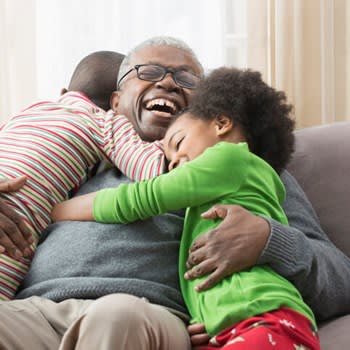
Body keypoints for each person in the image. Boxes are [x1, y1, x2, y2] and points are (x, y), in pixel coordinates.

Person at [0, 36, 348, 349]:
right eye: (148, 71)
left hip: (141, 316)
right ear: (116, 100)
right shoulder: (71, 156)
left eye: (186, 79)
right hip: (35, 311)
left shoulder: (242, 165)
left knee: (117, 316)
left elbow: (340, 279)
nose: (167, 82)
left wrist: (270, 239)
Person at [52, 67, 320, 350]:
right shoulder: (228, 187)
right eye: (170, 161)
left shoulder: (230, 159)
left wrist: (54, 211)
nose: (175, 163)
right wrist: (206, 317)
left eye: (178, 143)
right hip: (231, 327)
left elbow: (139, 199)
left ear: (221, 124)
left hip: (264, 317)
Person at [0, 50, 169, 299]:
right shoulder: (106, 122)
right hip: (14, 232)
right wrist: (175, 139)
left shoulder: (27, 112)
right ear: (116, 103)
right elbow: (152, 171)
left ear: (63, 94)